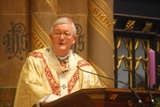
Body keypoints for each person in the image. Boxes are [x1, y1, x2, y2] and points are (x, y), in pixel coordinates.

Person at [14, 17, 105, 107]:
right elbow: (29, 87)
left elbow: (96, 96)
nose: (61, 38)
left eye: (66, 34)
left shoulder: (85, 68)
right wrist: (57, 101)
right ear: (51, 37)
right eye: (57, 33)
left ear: (74, 39)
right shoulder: (36, 59)